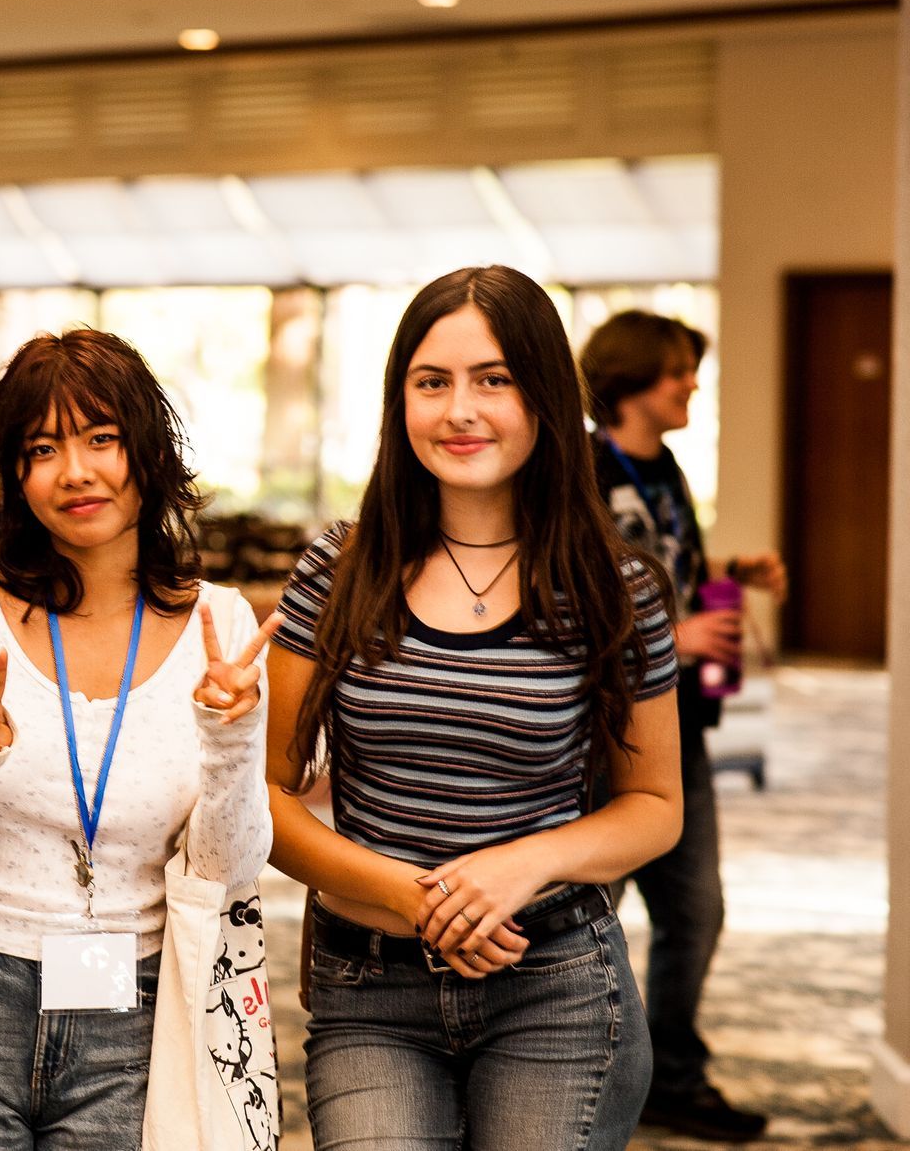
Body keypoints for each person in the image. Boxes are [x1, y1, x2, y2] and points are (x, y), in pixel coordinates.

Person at [264, 265, 683, 1150]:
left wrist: (518, 867)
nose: (461, 410)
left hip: (556, 983)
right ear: (399, 402)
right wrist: (418, 899)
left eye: (493, 379)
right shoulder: (339, 570)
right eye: (432, 382)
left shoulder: (616, 587)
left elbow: (655, 807)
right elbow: (265, 798)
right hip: (369, 985)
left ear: (543, 395)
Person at [0, 328, 276, 1150]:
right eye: (42, 448)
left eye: (101, 439)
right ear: (16, 475)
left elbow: (228, 871)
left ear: (147, 454)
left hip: (138, 1010)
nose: (75, 471)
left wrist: (232, 737)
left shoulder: (218, 626)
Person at [582, 309, 785, 1142]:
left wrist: (730, 576)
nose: (692, 384)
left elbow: (660, 570)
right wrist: (673, 635)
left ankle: (675, 1074)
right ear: (631, 379)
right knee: (587, 914)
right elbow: (573, 599)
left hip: (678, 721)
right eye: (678, 373)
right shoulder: (585, 471)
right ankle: (578, 1063)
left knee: (695, 909)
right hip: (601, 731)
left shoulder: (662, 468)